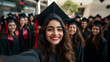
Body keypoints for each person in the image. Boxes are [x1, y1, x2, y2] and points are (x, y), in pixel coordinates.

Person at [0, 2, 75, 62]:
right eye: (50, 29)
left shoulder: (67, 51)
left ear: (64, 32)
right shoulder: (38, 54)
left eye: (59, 29)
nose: (55, 33)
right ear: (44, 32)